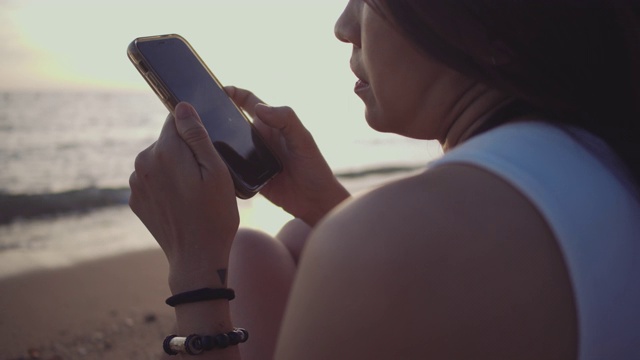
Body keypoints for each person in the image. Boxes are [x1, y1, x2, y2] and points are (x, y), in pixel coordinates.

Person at [129, 0, 640, 359]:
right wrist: (323, 201)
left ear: (491, 23)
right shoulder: (601, 155)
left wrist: (195, 276)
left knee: (246, 256)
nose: (343, 25)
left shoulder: (396, 241)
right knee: (283, 243)